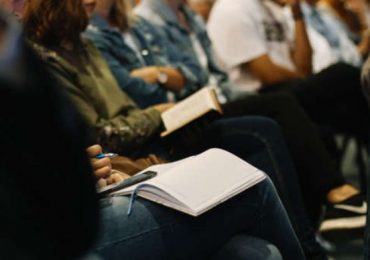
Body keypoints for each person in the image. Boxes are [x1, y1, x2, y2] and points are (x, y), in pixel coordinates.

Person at [0, 10, 305, 260]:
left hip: (84, 202)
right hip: (56, 232)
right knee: (252, 187)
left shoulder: (83, 45)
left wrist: (78, 172)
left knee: (254, 252)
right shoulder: (34, 57)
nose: (18, 10)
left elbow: (181, 77)